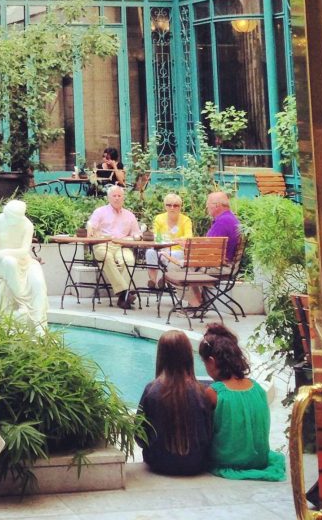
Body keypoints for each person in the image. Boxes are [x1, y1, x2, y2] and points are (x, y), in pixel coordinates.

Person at [198, 323, 286, 481]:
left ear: (211, 361)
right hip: (260, 460)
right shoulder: (257, 388)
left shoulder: (215, 393)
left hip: (227, 461)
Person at [136, 330, 212, 475]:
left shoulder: (151, 390)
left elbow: (140, 436)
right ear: (188, 355)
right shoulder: (202, 391)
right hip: (196, 464)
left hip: (159, 463)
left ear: (161, 356)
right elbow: (208, 433)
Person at [0, 199, 48, 330]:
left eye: (10, 216)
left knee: (38, 281)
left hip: (23, 261)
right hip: (1, 263)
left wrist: (5, 252)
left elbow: (24, 250)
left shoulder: (27, 225)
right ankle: (22, 302)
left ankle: (38, 324)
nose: (7, 217)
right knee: (9, 261)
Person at [86, 184, 142, 309]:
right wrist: (90, 229)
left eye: (119, 196)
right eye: (114, 196)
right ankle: (124, 293)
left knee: (129, 260)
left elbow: (136, 233)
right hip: (102, 244)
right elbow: (91, 224)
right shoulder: (100, 211)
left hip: (122, 245)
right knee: (106, 256)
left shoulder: (129, 215)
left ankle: (123, 297)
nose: (117, 198)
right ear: (109, 198)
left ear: (123, 198)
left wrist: (136, 237)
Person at [144, 193, 193, 288]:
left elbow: (188, 237)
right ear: (165, 206)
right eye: (169, 205)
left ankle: (165, 279)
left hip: (177, 250)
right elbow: (156, 235)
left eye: (176, 205)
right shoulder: (159, 218)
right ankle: (153, 281)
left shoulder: (186, 220)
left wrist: (174, 240)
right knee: (150, 252)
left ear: (180, 207)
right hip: (162, 249)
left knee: (176, 255)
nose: (172, 208)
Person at [205, 191, 241, 261]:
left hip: (218, 264)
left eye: (208, 204)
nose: (207, 206)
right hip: (226, 263)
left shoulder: (223, 222)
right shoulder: (230, 218)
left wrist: (188, 246)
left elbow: (209, 248)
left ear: (217, 205)